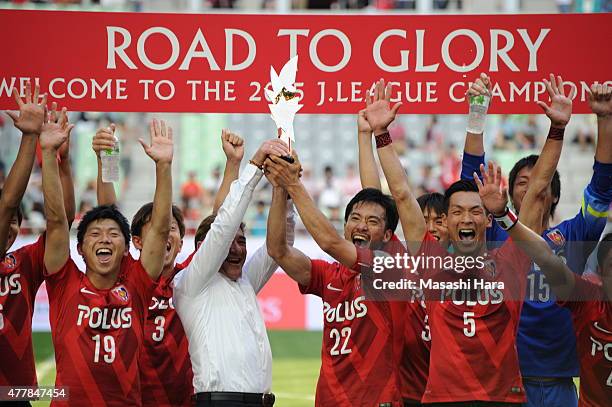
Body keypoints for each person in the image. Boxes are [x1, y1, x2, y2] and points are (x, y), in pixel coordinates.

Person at [461, 75, 612, 407]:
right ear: (510, 195)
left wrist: (604, 118)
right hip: (508, 379)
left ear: (554, 194)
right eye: (521, 183)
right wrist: (477, 112)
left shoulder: (576, 234)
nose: (529, 189)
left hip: (561, 381)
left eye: (537, 182)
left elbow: (602, 187)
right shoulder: (495, 234)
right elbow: (468, 187)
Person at [265, 97, 407, 405]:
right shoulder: (331, 274)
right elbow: (278, 250)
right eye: (354, 219)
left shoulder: (391, 265)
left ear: (387, 235)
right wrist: (280, 188)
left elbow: (329, 242)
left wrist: (294, 185)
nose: (360, 225)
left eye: (371, 222)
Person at [42, 117, 173, 406]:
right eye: (95, 234)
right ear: (80, 248)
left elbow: (160, 229)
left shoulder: (136, 284)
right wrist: (49, 155)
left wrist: (163, 167)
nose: (104, 239)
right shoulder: (64, 282)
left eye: (113, 234)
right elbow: (55, 221)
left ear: (127, 248)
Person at [173, 138, 294, 407]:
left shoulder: (244, 281)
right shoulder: (192, 283)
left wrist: (284, 190)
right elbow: (224, 224)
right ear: (206, 249)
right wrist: (255, 165)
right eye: (229, 242)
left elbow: (280, 245)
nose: (237, 249)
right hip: (220, 402)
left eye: (242, 241)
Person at [1, 83, 75, 393]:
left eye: (18, 222)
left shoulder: (24, 262)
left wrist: (61, 164)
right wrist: (29, 138)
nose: (12, 227)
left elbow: (62, 223)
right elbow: (7, 204)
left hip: (18, 393)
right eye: (9, 221)